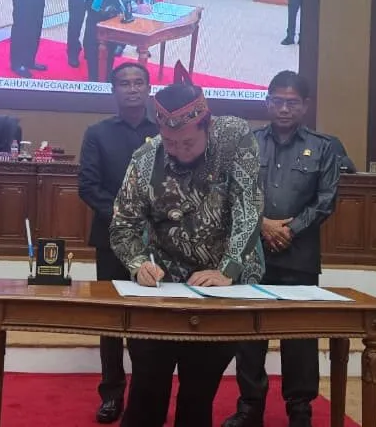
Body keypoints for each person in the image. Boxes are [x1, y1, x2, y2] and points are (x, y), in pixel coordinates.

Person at [110, 62, 265, 427]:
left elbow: (248, 208)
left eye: (188, 143)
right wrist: (138, 263)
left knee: (198, 391)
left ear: (206, 126)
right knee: (147, 388)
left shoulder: (234, 137)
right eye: (170, 142)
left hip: (222, 285)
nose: (178, 151)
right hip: (163, 288)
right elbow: (123, 225)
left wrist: (228, 270)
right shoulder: (146, 158)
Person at [224, 71, 340, 427]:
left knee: (300, 337)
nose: (284, 109)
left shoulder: (324, 146)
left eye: (292, 102)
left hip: (299, 256)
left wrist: (290, 229)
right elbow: (232, 192)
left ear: (305, 105)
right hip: (252, 253)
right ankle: (250, 407)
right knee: (250, 335)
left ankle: (300, 408)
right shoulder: (248, 143)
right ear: (267, 102)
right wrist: (262, 225)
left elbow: (326, 200)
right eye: (277, 101)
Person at [77, 63, 158, 424]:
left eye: (139, 82)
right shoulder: (98, 133)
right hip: (111, 239)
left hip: (157, 241)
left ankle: (146, 394)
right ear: (114, 90)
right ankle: (111, 394)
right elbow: (88, 187)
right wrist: (125, 218)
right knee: (111, 319)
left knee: (149, 319)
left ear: (149, 89)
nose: (132, 88)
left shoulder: (163, 132)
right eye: (124, 83)